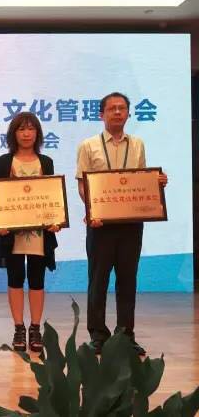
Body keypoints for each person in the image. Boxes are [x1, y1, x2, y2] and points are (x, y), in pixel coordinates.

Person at [76, 92, 168, 356]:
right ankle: (98, 336)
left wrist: (157, 183)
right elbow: (83, 185)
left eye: (122, 108)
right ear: (101, 114)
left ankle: (126, 336)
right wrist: (92, 210)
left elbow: (141, 180)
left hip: (131, 224)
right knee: (98, 280)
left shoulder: (137, 144)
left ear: (128, 113)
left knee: (128, 280)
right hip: (100, 225)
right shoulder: (88, 145)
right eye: (112, 108)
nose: (117, 112)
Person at [0, 112, 61, 353]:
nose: (26, 133)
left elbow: (52, 196)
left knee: (37, 279)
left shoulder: (46, 162)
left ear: (38, 133)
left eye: (31, 129)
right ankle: (18, 328)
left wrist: (56, 221)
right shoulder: (4, 161)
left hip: (40, 234)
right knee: (14, 279)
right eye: (21, 129)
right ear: (13, 134)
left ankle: (35, 328)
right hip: (12, 233)